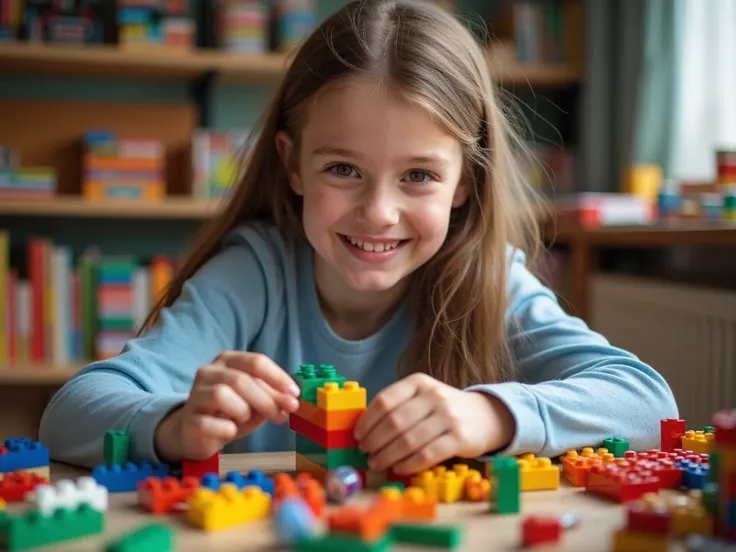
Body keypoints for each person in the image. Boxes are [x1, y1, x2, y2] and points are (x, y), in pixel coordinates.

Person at [39, 0, 678, 472]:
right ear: (292, 164)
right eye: (343, 169)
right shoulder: (253, 273)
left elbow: (648, 401)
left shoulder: (492, 279)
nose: (378, 212)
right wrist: (174, 424)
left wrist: (489, 415)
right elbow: (71, 410)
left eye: (419, 175)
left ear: (463, 184)